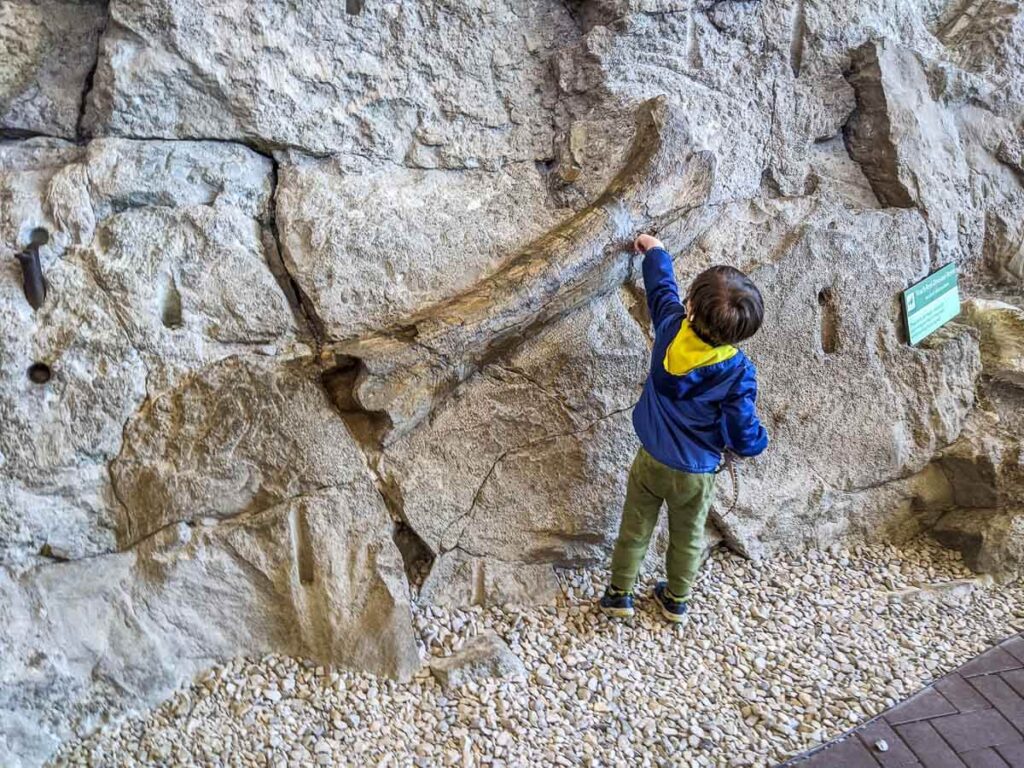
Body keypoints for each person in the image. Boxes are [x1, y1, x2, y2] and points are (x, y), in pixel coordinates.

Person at [600, 233, 769, 623]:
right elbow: (742, 430)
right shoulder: (739, 373)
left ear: (690, 305)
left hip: (651, 459)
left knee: (635, 527)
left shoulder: (671, 327)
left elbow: (661, 288)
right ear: (742, 334)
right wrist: (757, 443)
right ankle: (675, 599)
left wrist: (654, 250)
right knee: (687, 536)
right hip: (695, 473)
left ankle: (619, 593)